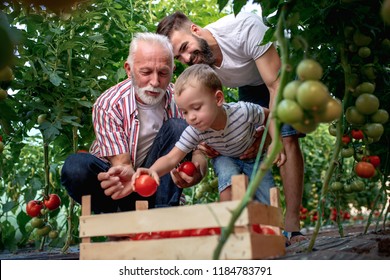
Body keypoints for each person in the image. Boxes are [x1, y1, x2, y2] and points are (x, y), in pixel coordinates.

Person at [157, 11, 306, 244]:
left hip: (277, 74)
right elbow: (210, 113)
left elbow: (274, 86)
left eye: (185, 47)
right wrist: (207, 146)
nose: (186, 58)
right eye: (179, 56)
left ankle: (292, 226)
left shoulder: (244, 28)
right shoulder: (201, 65)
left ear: (195, 29)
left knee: (286, 137)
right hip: (249, 83)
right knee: (252, 148)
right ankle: (257, 228)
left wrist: (273, 137)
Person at [61, 32, 207, 214]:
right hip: (117, 184)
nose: (155, 82)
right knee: (75, 167)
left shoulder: (180, 100)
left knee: (177, 126)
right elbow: (121, 165)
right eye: (146, 72)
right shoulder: (109, 104)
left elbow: (199, 148)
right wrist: (128, 176)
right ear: (129, 69)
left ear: (172, 71)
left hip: (155, 184)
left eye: (163, 73)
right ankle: (113, 219)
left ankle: (164, 217)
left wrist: (198, 169)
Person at [132, 64, 277, 203]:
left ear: (218, 99)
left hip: (253, 156)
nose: (191, 117)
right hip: (225, 157)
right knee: (228, 184)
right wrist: (151, 171)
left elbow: (269, 116)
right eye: (185, 112)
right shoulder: (195, 130)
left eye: (196, 108)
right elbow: (171, 158)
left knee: (266, 194)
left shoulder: (243, 111)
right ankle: (228, 224)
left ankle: (271, 227)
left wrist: (274, 141)